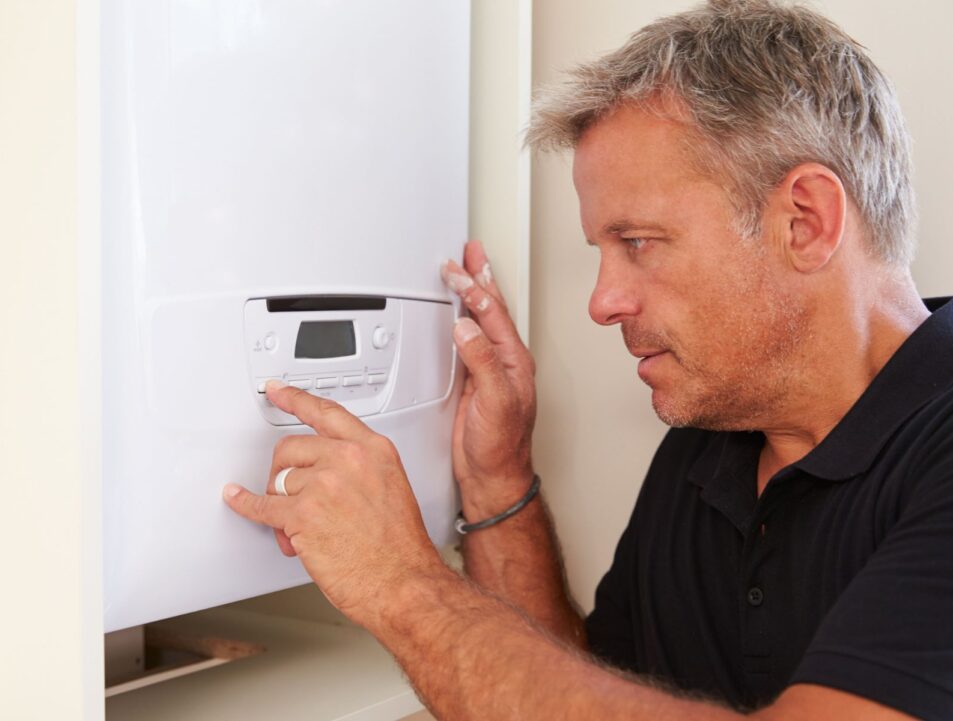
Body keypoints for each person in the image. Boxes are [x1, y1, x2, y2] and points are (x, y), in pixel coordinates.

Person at [223, 1, 953, 718]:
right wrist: (496, 475)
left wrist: (401, 584)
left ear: (805, 221)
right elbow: (585, 690)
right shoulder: (709, 440)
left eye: (638, 242)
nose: (602, 303)